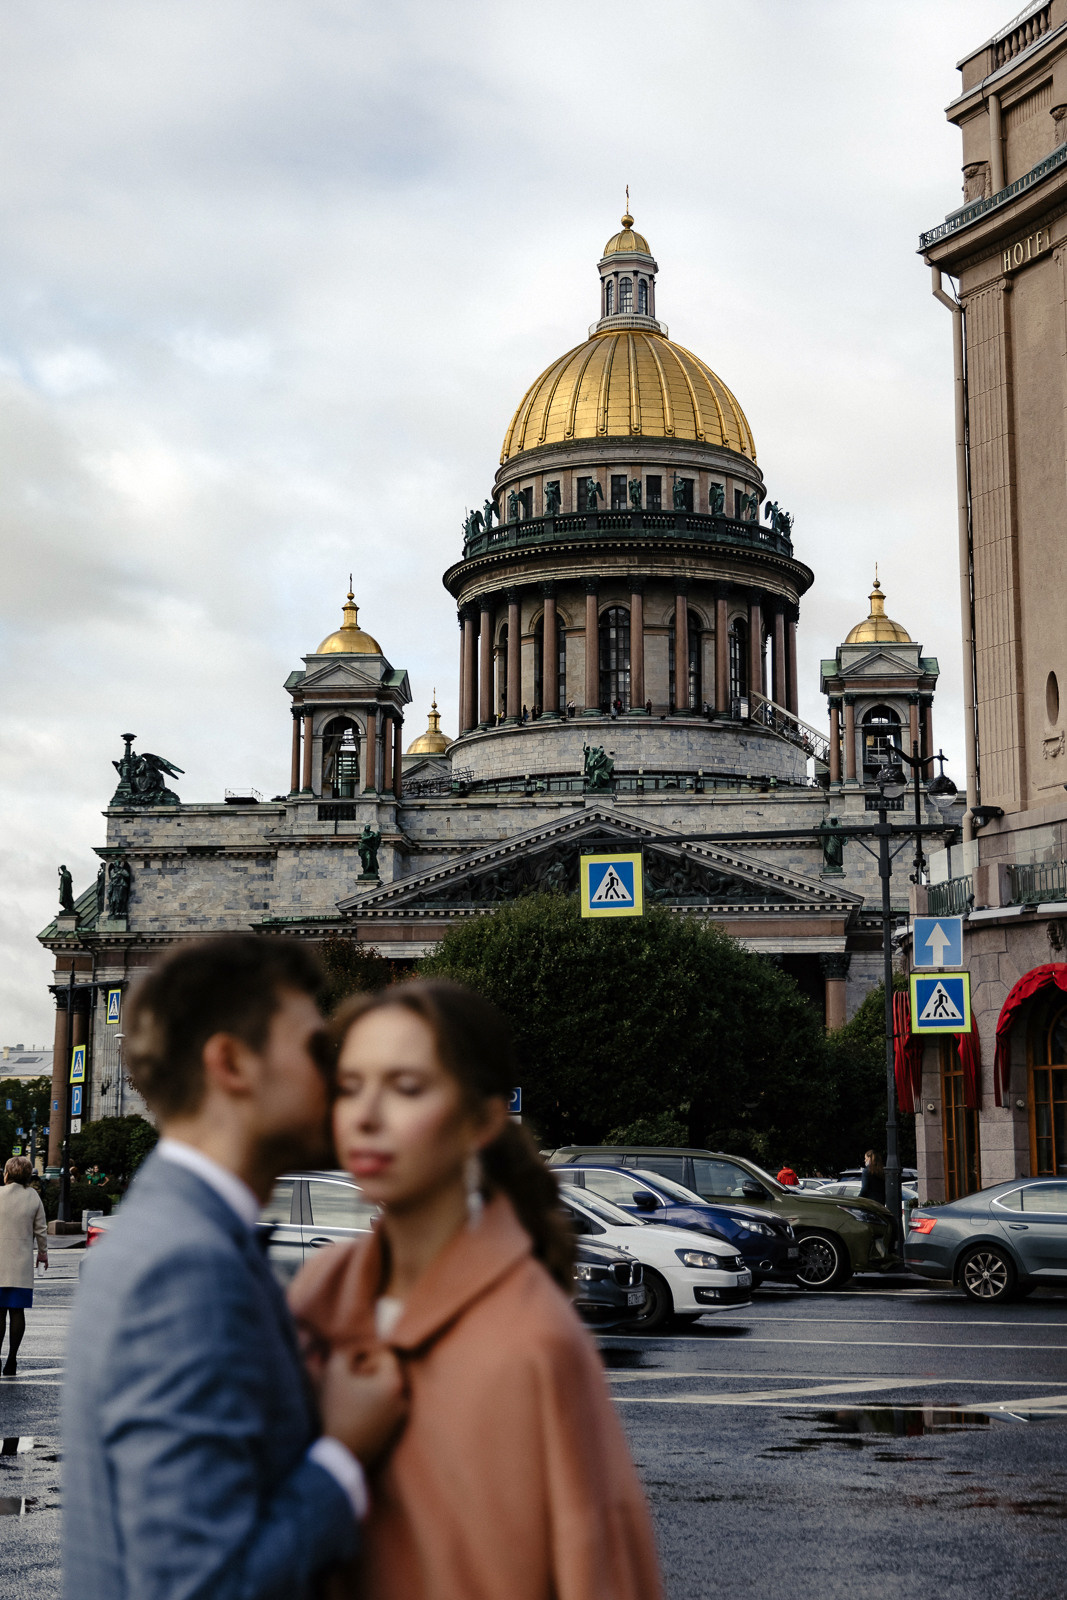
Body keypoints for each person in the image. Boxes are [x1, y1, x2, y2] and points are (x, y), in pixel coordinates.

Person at [290, 980, 663, 1600]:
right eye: (350, 1088)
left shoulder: (534, 1339)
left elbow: (600, 1567)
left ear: (483, 1119)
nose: (365, 1116)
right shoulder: (317, 1294)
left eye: (406, 1088)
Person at [63, 933, 408, 1600]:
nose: (333, 1076)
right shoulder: (186, 1267)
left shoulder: (168, 1231)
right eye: (313, 1048)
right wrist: (342, 1454)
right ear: (231, 1063)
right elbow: (203, 1586)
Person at [0, 1155, 48, 1377]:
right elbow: (41, 1229)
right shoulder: (33, 1197)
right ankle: (12, 1360)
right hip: (21, 1264)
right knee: (17, 1312)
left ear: (7, 1174)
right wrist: (43, 1254)